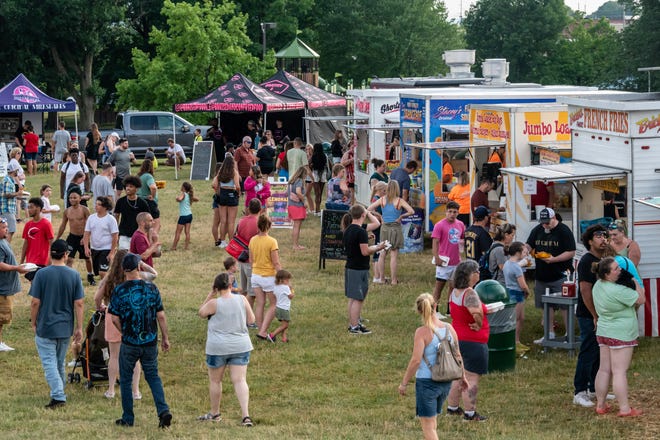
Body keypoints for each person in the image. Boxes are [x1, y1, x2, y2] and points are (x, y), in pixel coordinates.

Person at [108, 253, 172, 428]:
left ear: (123, 270)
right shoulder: (151, 289)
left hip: (129, 341)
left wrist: (124, 330)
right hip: (150, 340)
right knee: (153, 376)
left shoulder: (119, 290)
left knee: (126, 380)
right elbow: (161, 316)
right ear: (139, 267)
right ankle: (163, 410)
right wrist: (165, 337)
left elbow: (113, 318)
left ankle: (128, 417)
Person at [398, 293, 468, 440]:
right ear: (435, 306)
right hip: (445, 382)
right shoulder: (449, 328)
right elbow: (458, 356)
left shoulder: (422, 332)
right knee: (432, 422)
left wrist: (404, 383)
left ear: (419, 311)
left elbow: (416, 360)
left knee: (428, 427)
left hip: (427, 383)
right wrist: (463, 377)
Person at [29, 239, 84, 408]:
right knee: (58, 362)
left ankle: (58, 395)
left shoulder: (42, 274)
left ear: (50, 254)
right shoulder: (73, 275)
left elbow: (35, 302)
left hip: (46, 326)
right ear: (66, 255)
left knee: (49, 363)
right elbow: (79, 303)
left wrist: (33, 321)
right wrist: (79, 327)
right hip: (65, 327)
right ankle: (60, 389)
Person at [198, 272, 255, 426]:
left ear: (217, 288)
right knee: (240, 380)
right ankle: (245, 416)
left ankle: (215, 413)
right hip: (241, 345)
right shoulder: (242, 299)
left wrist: (210, 294)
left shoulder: (214, 303)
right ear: (231, 286)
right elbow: (252, 320)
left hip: (218, 347)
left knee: (215, 381)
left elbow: (201, 312)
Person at [592, 257, 645, 417]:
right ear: (607, 274)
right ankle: (624, 409)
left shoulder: (598, 285)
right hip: (621, 333)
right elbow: (641, 299)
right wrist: (635, 281)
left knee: (603, 369)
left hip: (604, 331)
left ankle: (600, 405)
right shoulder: (619, 291)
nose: (620, 270)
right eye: (615, 269)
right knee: (619, 371)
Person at [93, 249, 144, 401]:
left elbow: (97, 297)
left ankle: (111, 389)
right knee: (135, 357)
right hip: (132, 316)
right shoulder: (136, 278)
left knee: (114, 356)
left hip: (112, 314)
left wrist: (100, 306)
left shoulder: (109, 279)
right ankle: (135, 391)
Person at [446, 260, 489, 421]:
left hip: (457, 338)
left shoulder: (454, 292)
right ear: (471, 275)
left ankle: (452, 407)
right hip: (472, 341)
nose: (479, 273)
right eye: (477, 270)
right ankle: (470, 413)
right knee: (471, 377)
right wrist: (478, 324)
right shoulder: (469, 293)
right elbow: (476, 313)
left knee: (458, 376)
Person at [573, 225, 610, 408]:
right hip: (588, 315)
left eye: (605, 235)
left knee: (598, 352)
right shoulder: (587, 261)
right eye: (598, 236)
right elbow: (585, 289)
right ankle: (579, 391)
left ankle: (595, 388)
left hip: (602, 314)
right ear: (589, 241)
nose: (603, 238)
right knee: (588, 351)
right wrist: (594, 315)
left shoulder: (604, 259)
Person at [526, 207, 575, 344]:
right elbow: (528, 245)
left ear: (554, 218)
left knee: (566, 306)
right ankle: (549, 334)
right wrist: (524, 252)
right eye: (543, 222)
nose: (545, 225)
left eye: (547, 222)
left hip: (560, 274)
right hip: (542, 275)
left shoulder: (564, 231)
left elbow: (571, 252)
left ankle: (568, 334)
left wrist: (554, 259)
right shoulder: (538, 229)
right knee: (546, 306)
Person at [342, 205, 385, 334]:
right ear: (363, 215)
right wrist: (378, 247)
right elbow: (365, 251)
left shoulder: (348, 229)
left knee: (353, 297)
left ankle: (353, 322)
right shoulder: (360, 232)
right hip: (359, 268)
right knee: (359, 298)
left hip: (350, 266)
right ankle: (354, 327)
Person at [366, 180, 413, 286]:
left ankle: (381, 279)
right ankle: (393, 280)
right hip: (395, 228)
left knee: (382, 254)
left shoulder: (382, 199)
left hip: (385, 228)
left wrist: (379, 215)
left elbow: (368, 209)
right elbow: (411, 211)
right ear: (397, 189)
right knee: (393, 255)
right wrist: (401, 216)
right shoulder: (399, 201)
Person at [250, 215, 282, 341]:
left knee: (260, 304)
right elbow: (276, 263)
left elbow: (251, 259)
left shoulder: (252, 240)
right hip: (268, 276)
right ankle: (263, 331)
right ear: (269, 226)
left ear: (258, 226)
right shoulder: (272, 241)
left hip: (255, 275)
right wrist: (283, 277)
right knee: (274, 303)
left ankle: (260, 330)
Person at [0, 217, 29, 351]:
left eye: (6, 226)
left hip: (7, 287)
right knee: (1, 317)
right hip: (2, 288)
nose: (7, 229)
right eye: (4, 227)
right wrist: (16, 268)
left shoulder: (3, 241)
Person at [56, 191, 95, 285]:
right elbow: (63, 225)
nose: (72, 199)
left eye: (74, 197)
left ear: (80, 198)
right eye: (70, 198)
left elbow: (90, 225)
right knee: (69, 258)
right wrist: (57, 237)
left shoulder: (85, 209)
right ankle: (69, 278)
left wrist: (86, 237)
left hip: (83, 237)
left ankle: (90, 275)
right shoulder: (67, 211)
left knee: (87, 258)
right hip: (72, 237)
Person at [431, 201, 465, 308]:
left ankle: (450, 309)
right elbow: (435, 242)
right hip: (444, 261)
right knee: (439, 286)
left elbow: (462, 240)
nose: (452, 214)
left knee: (453, 286)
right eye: (450, 211)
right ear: (446, 212)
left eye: (454, 212)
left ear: (458, 213)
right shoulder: (439, 225)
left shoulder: (460, 224)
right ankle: (434, 310)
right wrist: (437, 258)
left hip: (456, 261)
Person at [502, 242, 532, 354]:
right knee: (517, 319)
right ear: (518, 253)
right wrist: (528, 291)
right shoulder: (517, 268)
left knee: (521, 318)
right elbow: (523, 285)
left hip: (509, 291)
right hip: (517, 294)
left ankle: (516, 341)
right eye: (524, 252)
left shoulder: (507, 264)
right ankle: (514, 342)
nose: (526, 254)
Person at [83, 196, 119, 280]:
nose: (96, 206)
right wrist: (86, 248)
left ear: (105, 207)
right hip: (94, 248)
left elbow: (115, 236)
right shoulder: (91, 218)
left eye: (99, 204)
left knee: (102, 272)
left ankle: (106, 290)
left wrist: (112, 252)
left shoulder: (111, 219)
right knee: (98, 272)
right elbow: (87, 233)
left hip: (106, 248)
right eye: (96, 204)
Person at [236, 199, 261, 313]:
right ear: (260, 210)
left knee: (243, 291)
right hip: (252, 261)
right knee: (251, 294)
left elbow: (234, 236)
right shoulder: (259, 223)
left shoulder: (241, 221)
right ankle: (248, 319)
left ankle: (240, 314)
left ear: (248, 209)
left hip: (241, 258)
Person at [211, 156, 241, 248]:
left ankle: (222, 241)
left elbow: (214, 184)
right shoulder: (233, 172)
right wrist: (238, 193)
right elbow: (237, 185)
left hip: (222, 194)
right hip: (231, 194)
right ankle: (231, 242)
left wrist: (218, 191)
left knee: (223, 221)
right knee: (231, 221)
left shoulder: (220, 172)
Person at [114, 175, 150, 250]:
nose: (128, 188)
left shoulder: (142, 203)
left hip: (138, 234)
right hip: (124, 234)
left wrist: (148, 237)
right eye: (126, 186)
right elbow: (116, 217)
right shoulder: (121, 201)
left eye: (131, 186)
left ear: (136, 189)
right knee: (124, 256)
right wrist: (116, 234)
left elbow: (148, 221)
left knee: (138, 258)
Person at [21, 197, 55, 276]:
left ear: (38, 208)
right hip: (30, 262)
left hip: (42, 262)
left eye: (31, 207)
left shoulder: (46, 224)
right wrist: (22, 261)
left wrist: (50, 261)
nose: (29, 210)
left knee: (38, 285)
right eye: (28, 207)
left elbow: (52, 244)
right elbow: (25, 244)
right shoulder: (28, 225)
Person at [287, 165, 312, 250]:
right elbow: (298, 192)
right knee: (297, 226)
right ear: (303, 174)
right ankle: (295, 245)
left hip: (291, 205)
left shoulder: (291, 181)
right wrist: (304, 201)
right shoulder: (299, 181)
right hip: (297, 206)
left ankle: (295, 244)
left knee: (295, 226)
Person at [268, 270, 294, 343]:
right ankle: (272, 335)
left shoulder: (276, 287)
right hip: (284, 309)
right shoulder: (285, 287)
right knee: (285, 325)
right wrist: (292, 289)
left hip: (278, 308)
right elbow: (291, 296)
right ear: (282, 280)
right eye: (287, 280)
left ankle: (284, 338)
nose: (288, 281)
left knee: (284, 324)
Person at [171, 182, 198, 251]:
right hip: (189, 215)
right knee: (187, 232)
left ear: (183, 188)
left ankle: (174, 247)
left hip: (183, 216)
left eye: (182, 186)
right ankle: (186, 247)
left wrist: (177, 198)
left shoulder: (183, 194)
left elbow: (180, 199)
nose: (181, 187)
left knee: (178, 232)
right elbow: (197, 199)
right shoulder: (189, 195)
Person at [137, 159, 160, 234]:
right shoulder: (148, 176)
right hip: (149, 203)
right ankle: (153, 243)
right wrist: (152, 196)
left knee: (144, 225)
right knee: (155, 225)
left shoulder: (138, 176)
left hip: (139, 201)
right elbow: (153, 187)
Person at [1, 162, 23, 242]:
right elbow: (6, 195)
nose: (18, 172)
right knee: (10, 230)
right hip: (7, 209)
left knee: (8, 230)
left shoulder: (9, 180)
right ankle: (5, 250)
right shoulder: (7, 181)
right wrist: (18, 193)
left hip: (8, 209)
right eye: (17, 170)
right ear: (14, 170)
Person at [309, 143, 331, 215]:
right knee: (320, 193)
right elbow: (329, 165)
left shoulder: (313, 157)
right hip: (323, 174)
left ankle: (317, 210)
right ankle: (318, 210)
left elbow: (309, 165)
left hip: (315, 174)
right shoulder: (324, 156)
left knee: (316, 193)